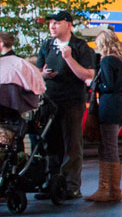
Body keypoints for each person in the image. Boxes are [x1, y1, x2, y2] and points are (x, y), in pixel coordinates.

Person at [35, 10, 96, 198]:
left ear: (69, 25)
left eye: (57, 22)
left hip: (72, 102)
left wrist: (69, 58)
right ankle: (51, 183)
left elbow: (88, 75)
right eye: (50, 23)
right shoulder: (46, 45)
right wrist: (43, 75)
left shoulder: (80, 46)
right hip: (50, 101)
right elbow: (38, 71)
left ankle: (71, 186)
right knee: (50, 142)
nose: (52, 26)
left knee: (72, 143)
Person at [85, 30, 122, 203]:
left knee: (108, 148)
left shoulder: (107, 60)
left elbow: (108, 85)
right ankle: (110, 188)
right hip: (121, 105)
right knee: (109, 146)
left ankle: (109, 189)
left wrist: (93, 83)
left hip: (110, 106)